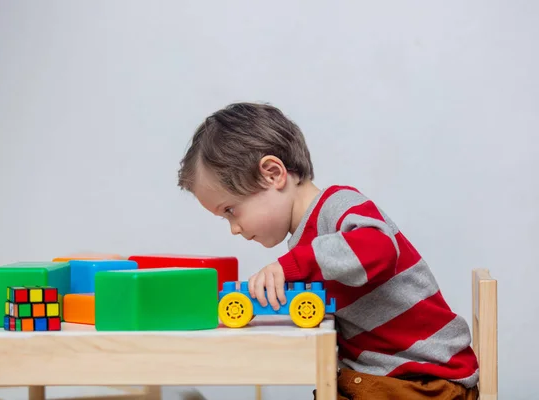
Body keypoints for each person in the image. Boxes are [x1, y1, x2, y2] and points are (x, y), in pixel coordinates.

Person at [177, 102, 479, 399]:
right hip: (382, 373)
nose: (234, 228)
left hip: (423, 374)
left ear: (272, 173)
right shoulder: (304, 244)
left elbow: (380, 249)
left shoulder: (338, 207)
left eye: (230, 210)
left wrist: (290, 266)